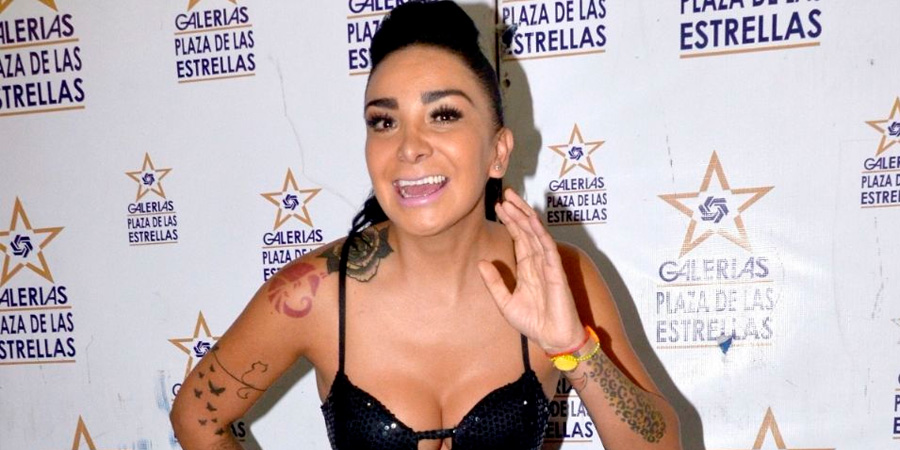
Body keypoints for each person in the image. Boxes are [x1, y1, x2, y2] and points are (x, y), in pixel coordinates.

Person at [170, 1, 682, 449]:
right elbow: (196, 417)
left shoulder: (559, 278)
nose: (409, 147)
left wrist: (574, 350)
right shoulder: (317, 291)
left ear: (498, 151)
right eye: (384, 121)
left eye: (443, 115)